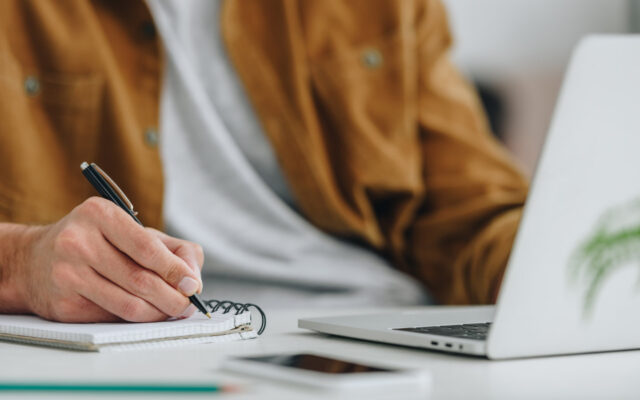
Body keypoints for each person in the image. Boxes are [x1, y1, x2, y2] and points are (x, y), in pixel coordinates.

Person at [0, 0, 528, 323]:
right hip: (150, 350)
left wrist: (543, 270)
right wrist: (21, 265)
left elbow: (472, 207)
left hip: (379, 338)